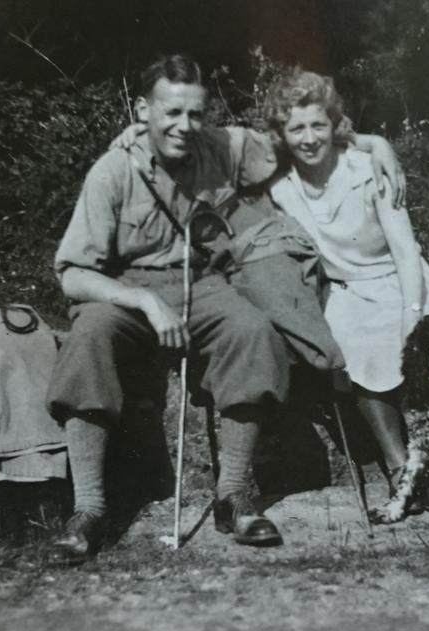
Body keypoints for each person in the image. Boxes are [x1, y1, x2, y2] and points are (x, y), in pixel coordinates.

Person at [47, 54, 403, 563]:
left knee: (252, 330)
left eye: (195, 114)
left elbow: (300, 138)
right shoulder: (112, 172)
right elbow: (74, 274)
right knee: (88, 339)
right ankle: (88, 511)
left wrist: (374, 143)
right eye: (171, 113)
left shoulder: (223, 147)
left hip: (202, 284)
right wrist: (145, 301)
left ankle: (233, 497)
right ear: (143, 109)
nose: (183, 126)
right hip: (127, 291)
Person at [263, 70, 429, 516]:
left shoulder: (369, 169)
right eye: (296, 128)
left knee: (415, 346)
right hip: (345, 289)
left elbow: (406, 252)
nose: (309, 138)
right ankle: (401, 466)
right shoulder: (279, 186)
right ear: (282, 134)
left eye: (318, 125)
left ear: (335, 125)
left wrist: (413, 311)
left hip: (401, 280)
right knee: (354, 345)